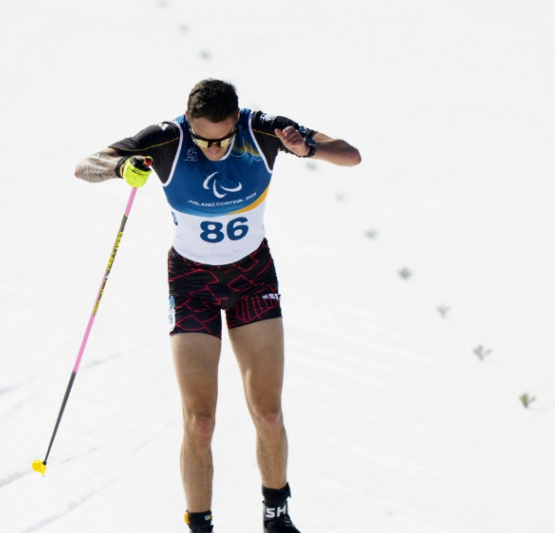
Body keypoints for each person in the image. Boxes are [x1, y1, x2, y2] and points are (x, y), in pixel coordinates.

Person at [74, 79, 361, 533]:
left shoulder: (262, 130)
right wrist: (122, 167)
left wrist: (307, 149)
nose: (214, 150)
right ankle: (200, 524)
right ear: (189, 122)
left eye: (224, 140)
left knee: (268, 414)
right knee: (200, 421)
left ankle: (277, 515)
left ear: (236, 121)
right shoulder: (167, 138)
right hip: (192, 284)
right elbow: (85, 167)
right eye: (205, 140)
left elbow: (350, 155)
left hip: (252, 278)